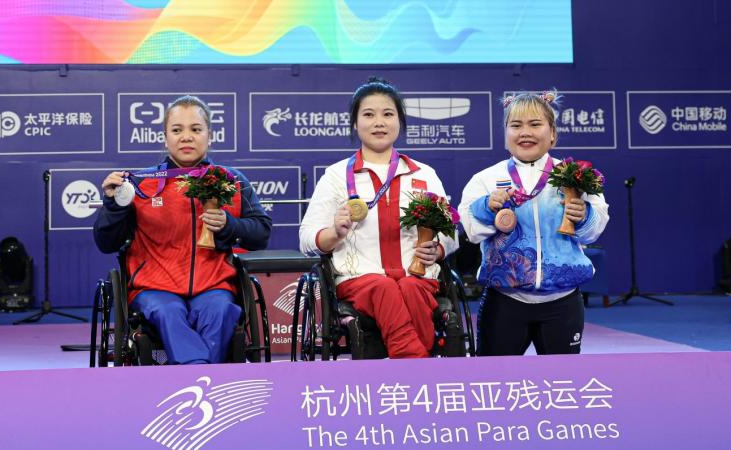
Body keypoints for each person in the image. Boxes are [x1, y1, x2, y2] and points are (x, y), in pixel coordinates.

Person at [94, 95, 272, 364]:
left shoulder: (232, 181)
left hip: (213, 286)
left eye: (196, 129)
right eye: (177, 130)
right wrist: (114, 204)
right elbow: (106, 243)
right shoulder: (142, 185)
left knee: (222, 311)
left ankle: (192, 378)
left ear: (209, 135)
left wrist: (230, 225)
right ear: (165, 137)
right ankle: (203, 375)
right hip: (154, 288)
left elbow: (261, 234)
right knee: (168, 312)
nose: (186, 137)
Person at [300, 77, 458, 358]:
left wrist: (439, 248)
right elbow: (307, 240)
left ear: (400, 121)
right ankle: (418, 364)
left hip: (418, 277)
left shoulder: (423, 174)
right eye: (369, 114)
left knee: (409, 287)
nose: (379, 122)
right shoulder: (336, 176)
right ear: (355, 123)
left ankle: (406, 367)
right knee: (383, 286)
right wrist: (335, 232)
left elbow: (451, 233)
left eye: (388, 114)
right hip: (360, 280)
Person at [458, 90, 609, 356]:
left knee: (562, 383)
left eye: (535, 124)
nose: (525, 132)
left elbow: (594, 231)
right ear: (505, 135)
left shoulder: (575, 177)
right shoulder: (485, 179)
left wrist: (583, 215)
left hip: (563, 302)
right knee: (494, 384)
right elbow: (471, 230)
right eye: (516, 125)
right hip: (505, 301)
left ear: (552, 133)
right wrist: (487, 207)